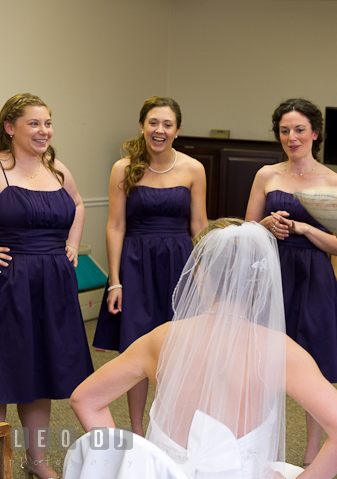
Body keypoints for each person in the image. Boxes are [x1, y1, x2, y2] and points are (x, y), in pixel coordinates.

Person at [68, 219, 337, 478]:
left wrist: (124, 464)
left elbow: (85, 399)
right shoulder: (280, 351)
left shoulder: (160, 338)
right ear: (259, 281)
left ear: (198, 274)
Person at [245, 98, 337, 466]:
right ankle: (258, 448)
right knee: (261, 366)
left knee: (313, 366)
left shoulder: (335, 181)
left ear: (315, 133)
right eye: (285, 131)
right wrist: (265, 226)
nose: (292, 137)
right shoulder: (266, 175)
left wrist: (306, 228)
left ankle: (312, 455)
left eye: (299, 130)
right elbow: (245, 234)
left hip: (314, 278)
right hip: (271, 273)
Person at [93, 96, 208, 436]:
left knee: (179, 349)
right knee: (137, 348)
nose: (160, 130)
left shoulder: (193, 169)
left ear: (178, 130)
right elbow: (115, 225)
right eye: (153, 123)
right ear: (142, 126)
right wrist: (115, 281)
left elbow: (199, 225)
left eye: (167, 124)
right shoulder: (124, 168)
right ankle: (139, 431)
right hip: (136, 265)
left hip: (178, 264)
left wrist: (202, 276)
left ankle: (172, 429)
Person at [0, 93, 94, 479]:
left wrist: (72, 242)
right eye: (35, 123)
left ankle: (36, 459)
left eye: (48, 123)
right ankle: (2, 461)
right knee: (5, 373)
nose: (45, 131)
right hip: (10, 283)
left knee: (38, 374)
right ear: (10, 128)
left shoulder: (57, 169)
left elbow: (79, 204)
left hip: (53, 283)